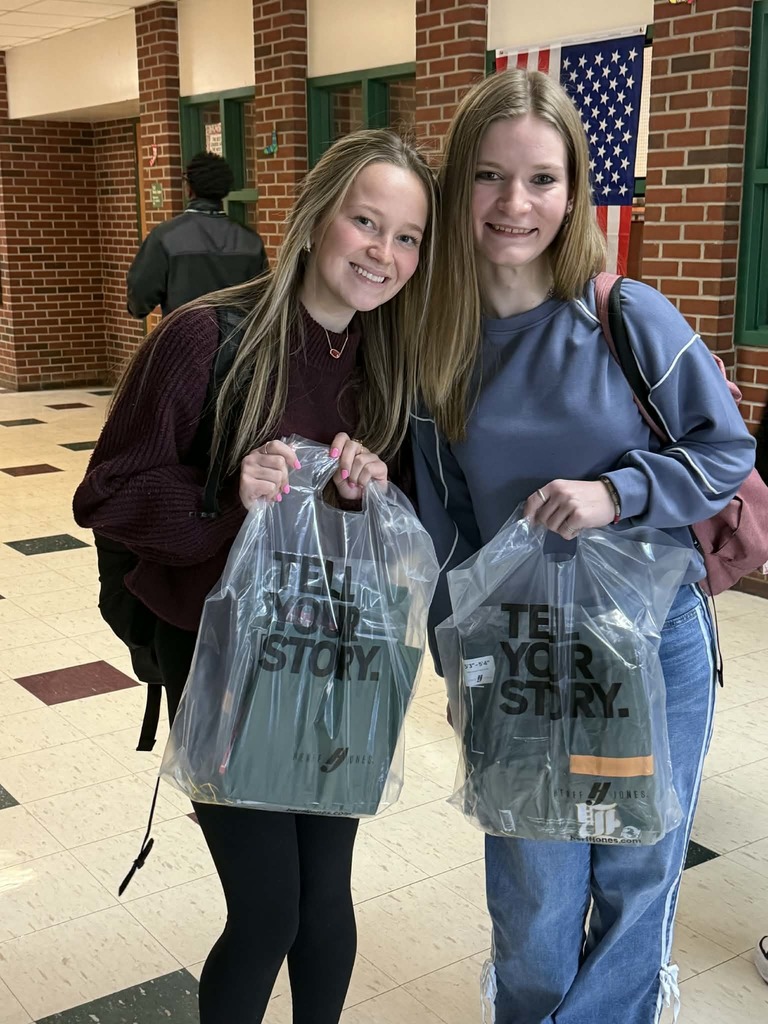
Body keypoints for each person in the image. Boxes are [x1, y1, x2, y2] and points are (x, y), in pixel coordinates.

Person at [411, 69, 756, 1024]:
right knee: (535, 885)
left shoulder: (624, 313)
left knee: (640, 866)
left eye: (541, 179)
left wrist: (618, 493)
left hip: (650, 641)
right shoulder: (434, 342)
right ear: (456, 188)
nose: (514, 205)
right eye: (487, 177)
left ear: (575, 192)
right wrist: (457, 664)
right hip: (520, 653)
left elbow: (724, 451)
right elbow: (449, 535)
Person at [74, 128, 436, 1024]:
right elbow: (105, 495)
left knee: (326, 902)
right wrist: (225, 491)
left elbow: (412, 532)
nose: (384, 253)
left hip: (335, 663)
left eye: (408, 236)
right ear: (317, 218)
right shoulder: (209, 337)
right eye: (365, 221)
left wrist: (373, 489)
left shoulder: (391, 364)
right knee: (269, 911)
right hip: (226, 665)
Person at [127, 150, 268, 318]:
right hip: (240, 340)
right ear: (225, 189)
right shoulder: (251, 241)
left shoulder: (165, 237)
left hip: (185, 340)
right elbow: (264, 300)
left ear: (189, 188)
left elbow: (139, 298)